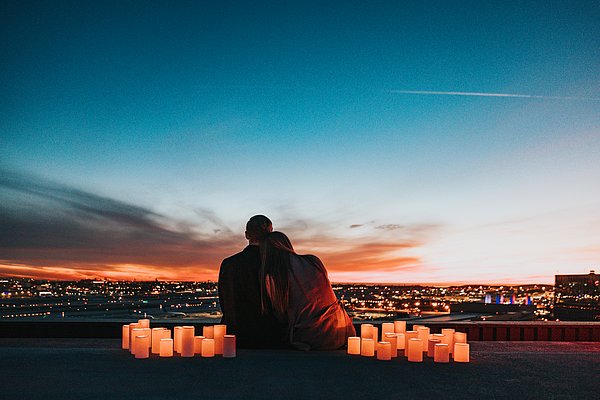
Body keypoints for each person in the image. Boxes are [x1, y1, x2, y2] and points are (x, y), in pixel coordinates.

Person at [259, 231, 356, 350]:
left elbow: (280, 314)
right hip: (343, 331)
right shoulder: (313, 261)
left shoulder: (274, 277)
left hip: (312, 338)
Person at [218, 215, 284, 348]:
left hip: (235, 335)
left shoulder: (228, 264)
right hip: (269, 337)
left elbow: (224, 302)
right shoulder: (276, 263)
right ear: (270, 235)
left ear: (247, 235)